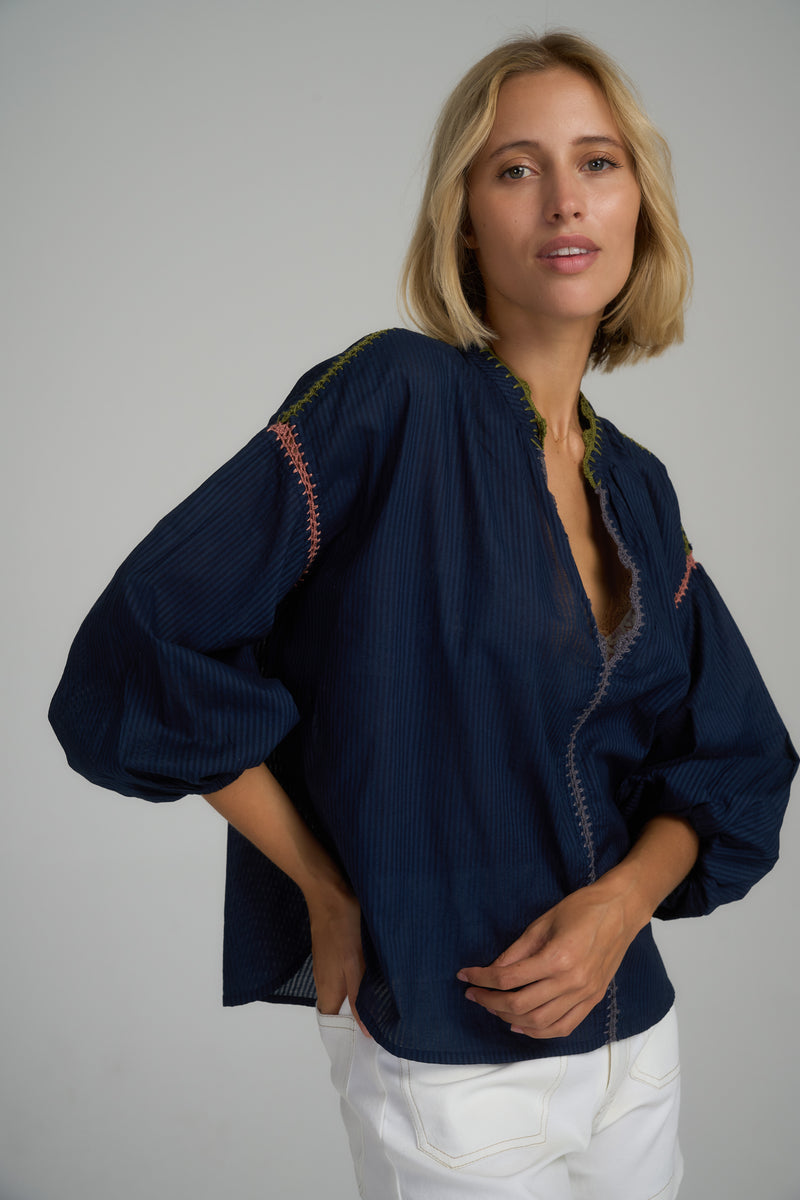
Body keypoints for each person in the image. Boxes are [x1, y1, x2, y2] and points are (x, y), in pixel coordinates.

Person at [49, 31, 796, 1200]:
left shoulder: (635, 485)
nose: (563, 199)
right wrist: (324, 887)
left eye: (596, 162)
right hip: (453, 1074)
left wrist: (619, 904)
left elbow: (738, 758)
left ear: (637, 204)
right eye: (514, 167)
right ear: (461, 217)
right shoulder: (391, 399)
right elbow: (137, 653)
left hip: (633, 1054)